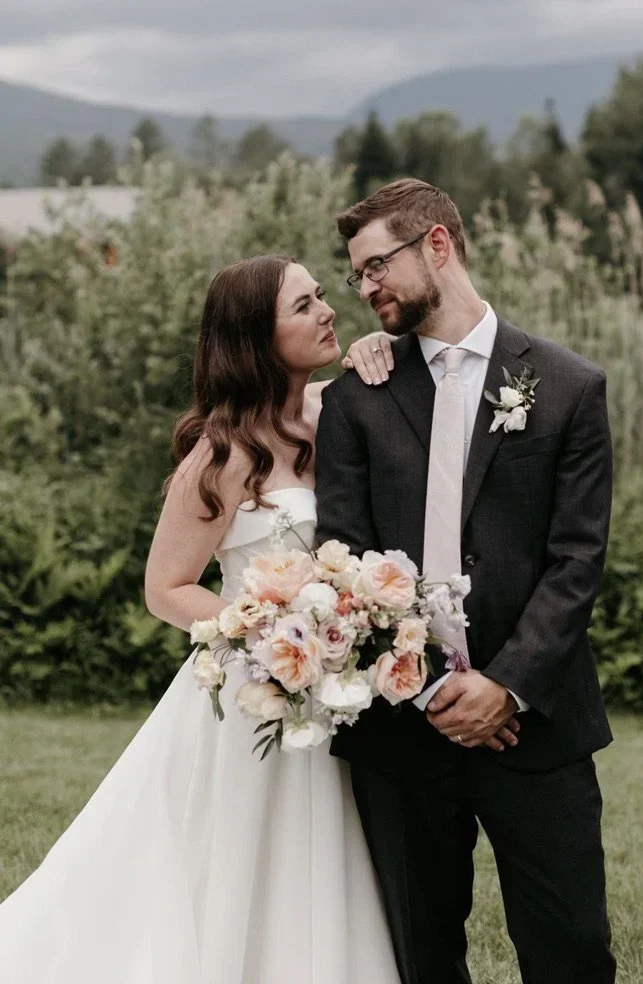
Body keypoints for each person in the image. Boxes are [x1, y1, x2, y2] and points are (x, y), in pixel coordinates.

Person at [0, 254, 401, 984]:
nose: (327, 312)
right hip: (253, 695)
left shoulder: (337, 410)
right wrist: (271, 633)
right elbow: (168, 588)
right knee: (233, 857)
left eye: (323, 295)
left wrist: (383, 346)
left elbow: (403, 373)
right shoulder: (217, 455)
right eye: (304, 305)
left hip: (337, 693)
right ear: (256, 337)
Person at [315, 178, 617, 984]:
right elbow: (342, 557)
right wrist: (422, 689)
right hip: (400, 735)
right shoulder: (358, 397)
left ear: (438, 246)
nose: (365, 286)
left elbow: (577, 561)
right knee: (421, 956)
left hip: (535, 726)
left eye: (377, 265)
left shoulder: (568, 386)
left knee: (573, 951)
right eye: (357, 275)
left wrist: (505, 688)